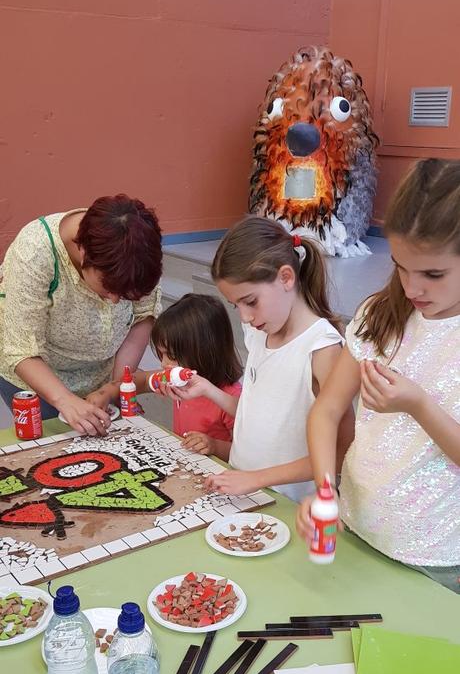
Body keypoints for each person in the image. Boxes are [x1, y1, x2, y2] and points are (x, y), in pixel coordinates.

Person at [296, 158, 460, 674]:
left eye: (434, 276)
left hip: (434, 558)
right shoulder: (380, 313)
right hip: (360, 531)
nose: (411, 288)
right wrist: (325, 488)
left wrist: (421, 404)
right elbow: (330, 407)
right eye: (400, 267)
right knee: (350, 670)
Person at [171, 215, 355, 500]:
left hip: (287, 506)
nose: (244, 317)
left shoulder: (323, 349)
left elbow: (341, 452)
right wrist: (207, 389)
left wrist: (257, 479)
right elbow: (256, 414)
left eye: (251, 301)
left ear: (285, 277)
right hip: (245, 494)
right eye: (236, 306)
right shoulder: (258, 331)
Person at [0, 195, 162, 436]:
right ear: (83, 252)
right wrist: (65, 401)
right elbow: (22, 349)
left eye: (126, 296)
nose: (115, 301)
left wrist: (116, 386)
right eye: (109, 288)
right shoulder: (35, 251)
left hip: (104, 373)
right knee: (56, 451)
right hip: (39, 375)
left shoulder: (139, 250)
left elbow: (142, 317)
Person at [89, 293, 242, 460]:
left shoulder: (230, 397)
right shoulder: (179, 380)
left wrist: (213, 445)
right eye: (161, 355)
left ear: (205, 351)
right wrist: (105, 393)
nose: (164, 364)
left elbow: (244, 454)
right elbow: (139, 381)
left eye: (171, 355)